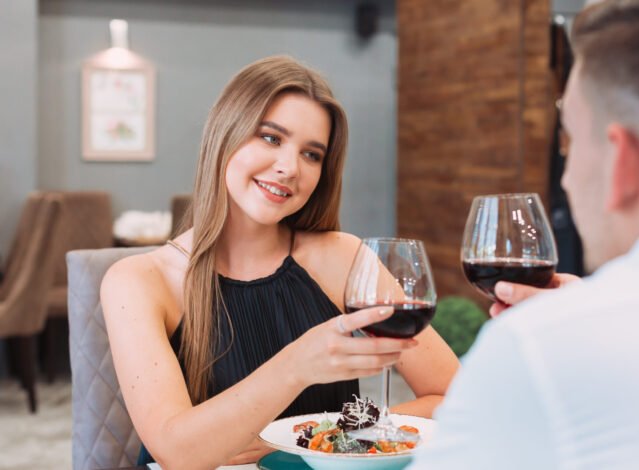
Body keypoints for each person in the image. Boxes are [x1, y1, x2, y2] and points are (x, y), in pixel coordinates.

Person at [409, 0, 639, 468]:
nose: (566, 179)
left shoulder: (543, 349)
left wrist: (570, 325)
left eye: (570, 141)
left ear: (622, 161)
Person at [101, 56, 459, 469]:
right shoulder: (139, 281)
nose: (290, 168)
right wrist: (296, 366)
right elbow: (176, 452)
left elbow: (454, 396)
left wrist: (318, 437)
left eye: (311, 154)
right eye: (271, 138)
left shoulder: (344, 258)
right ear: (225, 133)